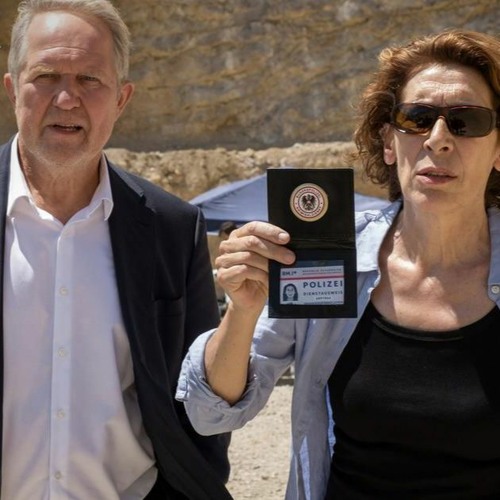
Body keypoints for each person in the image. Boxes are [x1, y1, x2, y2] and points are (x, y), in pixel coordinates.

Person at [176, 28, 500, 499]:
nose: (438, 139)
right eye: (416, 118)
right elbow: (211, 414)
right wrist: (242, 311)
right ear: (388, 143)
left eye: (466, 121)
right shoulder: (330, 254)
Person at [1, 1, 231, 498]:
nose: (67, 99)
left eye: (90, 80)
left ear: (122, 98)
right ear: (12, 88)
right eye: (46, 76)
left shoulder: (173, 228)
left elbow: (198, 396)